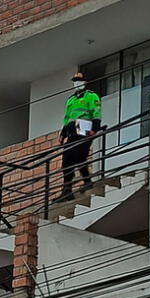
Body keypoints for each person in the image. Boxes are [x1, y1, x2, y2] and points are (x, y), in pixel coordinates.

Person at [55, 72, 102, 202]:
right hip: (72, 132)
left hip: (84, 130)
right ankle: (67, 190)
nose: (77, 83)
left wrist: (95, 129)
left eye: (79, 81)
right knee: (67, 161)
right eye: (75, 81)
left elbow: (96, 112)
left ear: (85, 82)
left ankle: (87, 181)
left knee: (79, 156)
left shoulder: (91, 96)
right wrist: (62, 134)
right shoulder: (71, 100)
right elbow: (67, 119)